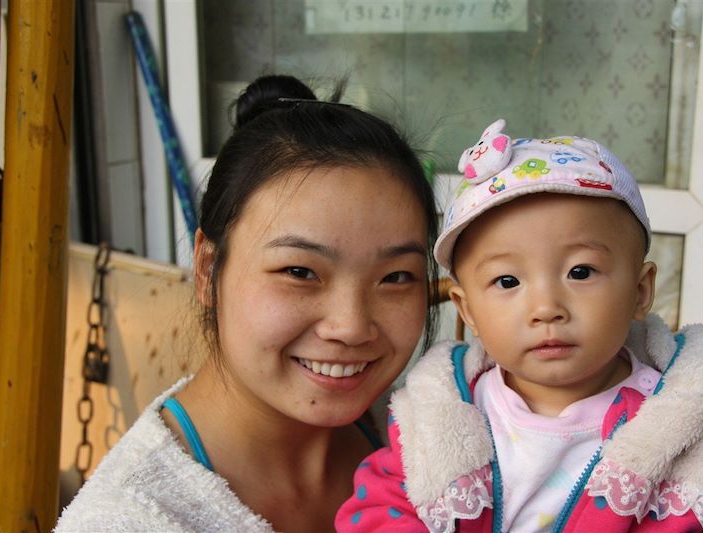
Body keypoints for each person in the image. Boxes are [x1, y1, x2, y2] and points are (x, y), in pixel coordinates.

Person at [336, 121, 703, 532]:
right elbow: (380, 508)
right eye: (508, 281)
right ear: (467, 310)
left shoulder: (697, 416)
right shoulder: (440, 414)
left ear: (640, 292)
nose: (546, 308)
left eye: (580, 272)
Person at [56, 74, 440, 532]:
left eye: (396, 277)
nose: (352, 326)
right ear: (206, 269)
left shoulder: (429, 437)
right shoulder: (126, 519)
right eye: (299, 272)